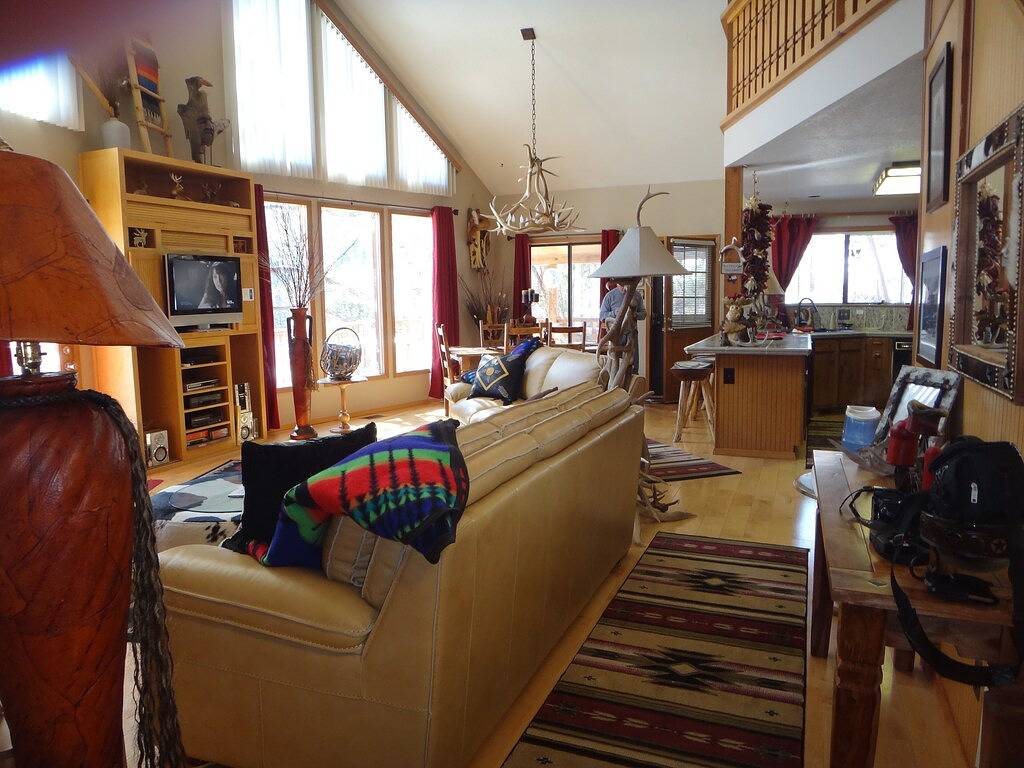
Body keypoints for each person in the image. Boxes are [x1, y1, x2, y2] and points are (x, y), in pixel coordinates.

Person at [599, 278, 646, 373]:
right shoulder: (610, 296)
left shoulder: (637, 295)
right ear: (617, 284)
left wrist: (635, 314)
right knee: (615, 364)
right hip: (616, 336)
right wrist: (614, 313)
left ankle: (632, 380)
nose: (624, 288)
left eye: (626, 285)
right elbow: (602, 316)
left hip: (631, 334)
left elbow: (643, 314)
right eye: (621, 285)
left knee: (633, 364)